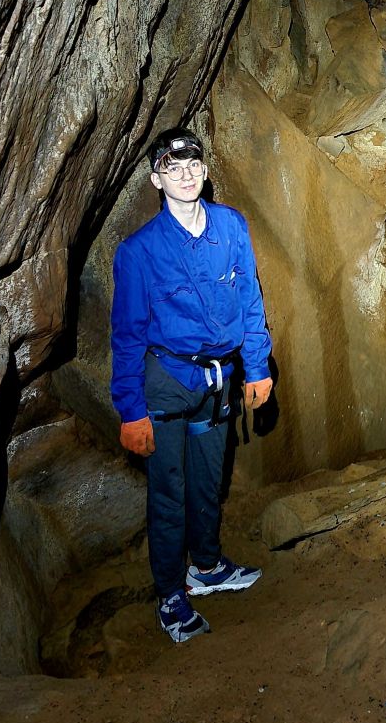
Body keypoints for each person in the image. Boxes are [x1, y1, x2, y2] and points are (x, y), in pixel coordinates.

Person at [110, 128, 274, 643]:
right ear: (156, 178)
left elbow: (250, 299)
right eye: (172, 167)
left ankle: (205, 565)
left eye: (193, 165)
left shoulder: (231, 226)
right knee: (169, 491)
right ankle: (170, 595)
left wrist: (259, 366)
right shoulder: (139, 252)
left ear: (204, 171)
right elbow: (127, 336)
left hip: (219, 379)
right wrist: (131, 410)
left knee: (208, 479)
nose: (185, 174)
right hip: (167, 384)